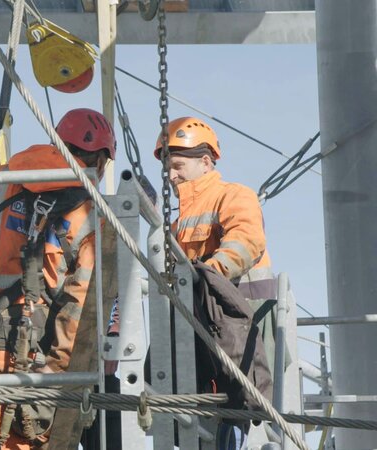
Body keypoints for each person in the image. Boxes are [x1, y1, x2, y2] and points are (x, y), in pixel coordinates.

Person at [0, 108, 115, 449]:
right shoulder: (92, 217)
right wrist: (56, 374)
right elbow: (78, 310)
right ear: (99, 159)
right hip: (34, 355)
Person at [154, 117, 280, 449]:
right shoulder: (175, 223)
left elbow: (247, 241)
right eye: (168, 168)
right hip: (202, 325)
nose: (171, 175)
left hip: (241, 319)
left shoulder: (234, 196)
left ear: (206, 162)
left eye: (178, 165)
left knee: (236, 406)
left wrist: (207, 274)